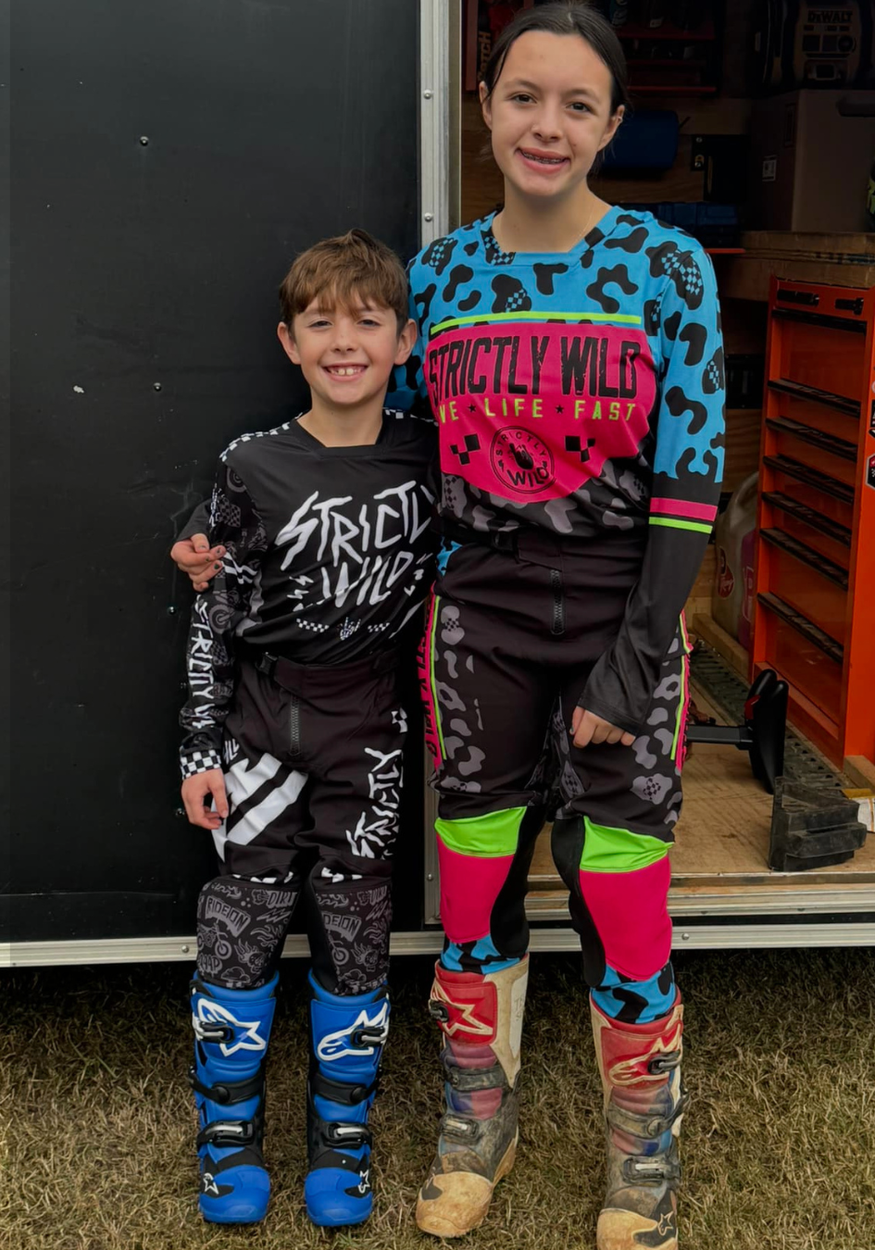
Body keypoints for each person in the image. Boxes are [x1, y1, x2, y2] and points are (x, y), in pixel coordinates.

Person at [173, 5, 725, 1245]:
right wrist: (231, 537)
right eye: (525, 95)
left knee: (623, 895)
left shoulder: (667, 269)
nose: (547, 125)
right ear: (482, 103)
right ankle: (480, 1117)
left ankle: (643, 1155)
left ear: (611, 125)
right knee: (473, 892)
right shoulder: (441, 279)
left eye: (578, 104)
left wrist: (636, 656)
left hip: (618, 617)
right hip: (475, 625)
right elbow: (397, 460)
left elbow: (694, 478)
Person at [176, 229, 436, 1228]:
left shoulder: (430, 453)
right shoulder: (251, 462)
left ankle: (343, 1138)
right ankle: (228, 1137)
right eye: (320, 322)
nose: (344, 341)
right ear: (289, 342)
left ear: (404, 339)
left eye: (367, 321)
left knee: (357, 925)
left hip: (369, 726)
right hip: (259, 725)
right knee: (239, 920)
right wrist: (201, 747)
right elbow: (210, 611)